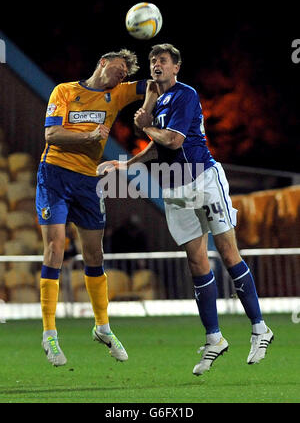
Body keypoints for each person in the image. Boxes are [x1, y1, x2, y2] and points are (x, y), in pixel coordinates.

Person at [98, 43, 274, 376]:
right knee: (196, 260)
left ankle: (260, 328)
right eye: (152, 60)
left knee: (227, 252)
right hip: (174, 186)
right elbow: (156, 149)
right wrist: (125, 165)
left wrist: (146, 124)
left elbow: (175, 141)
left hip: (203, 180)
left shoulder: (185, 94)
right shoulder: (160, 100)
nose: (155, 65)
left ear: (176, 66)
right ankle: (214, 338)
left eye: (162, 60)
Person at [36, 49, 146, 366]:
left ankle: (103, 327)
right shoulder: (66, 91)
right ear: (102, 62)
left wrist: (149, 110)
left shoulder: (119, 93)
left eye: (126, 72)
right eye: (119, 67)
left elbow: (156, 84)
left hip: (88, 181)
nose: (122, 74)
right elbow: (51, 134)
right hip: (55, 175)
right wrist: (88, 137)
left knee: (95, 255)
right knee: (56, 247)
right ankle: (50, 335)